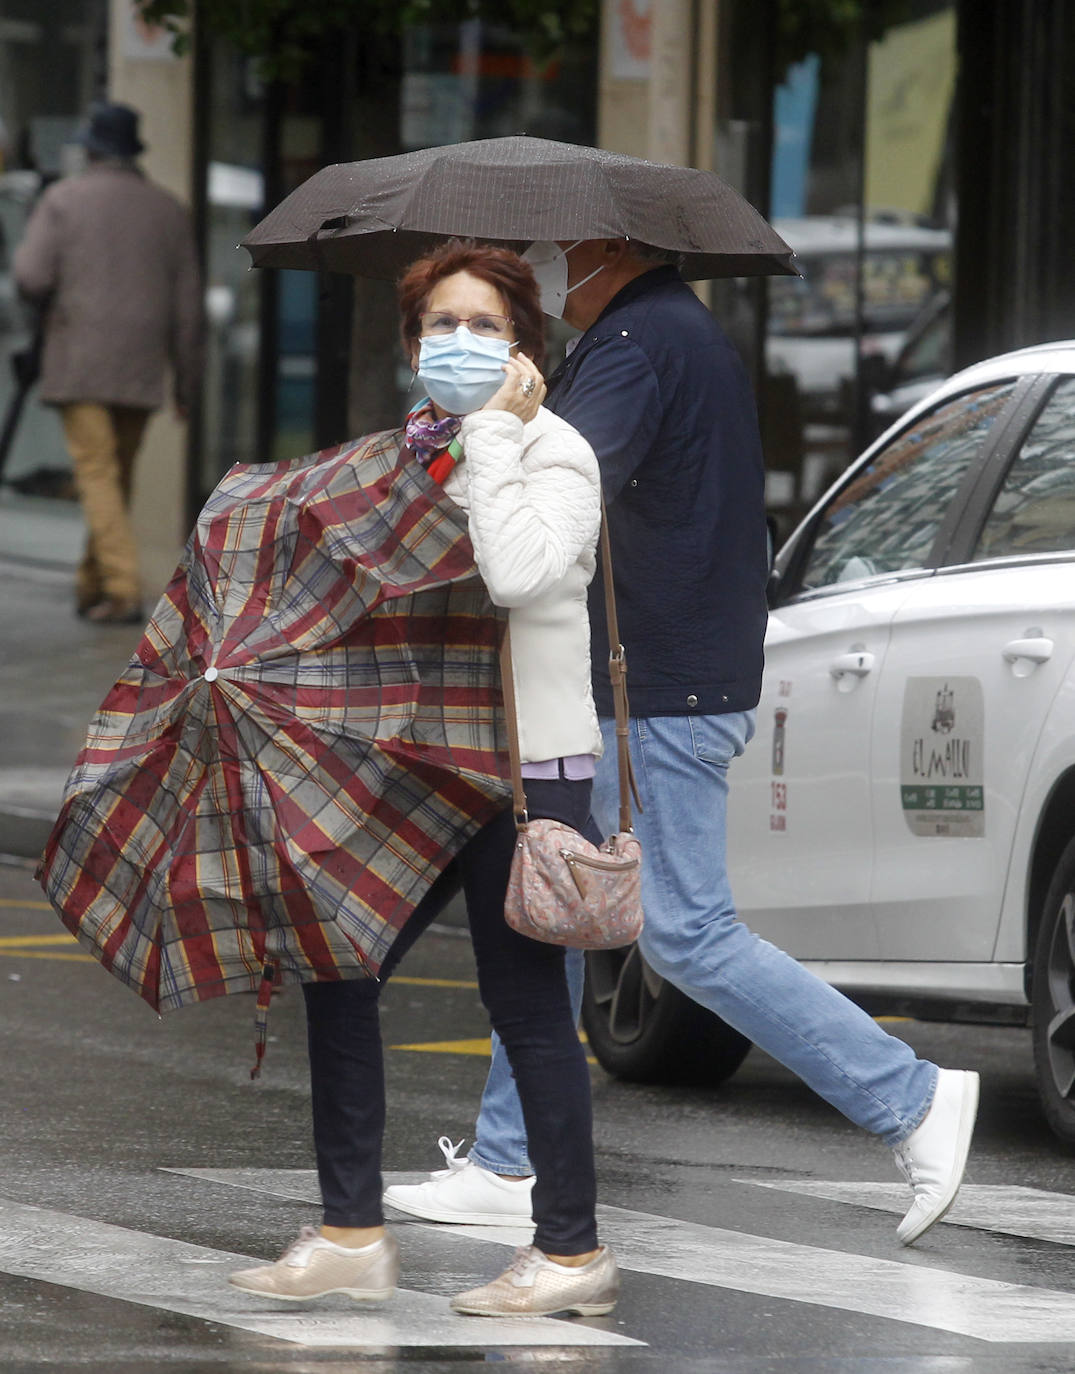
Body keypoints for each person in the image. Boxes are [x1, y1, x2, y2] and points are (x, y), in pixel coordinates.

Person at [384, 236, 980, 1250]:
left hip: (657, 685)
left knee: (684, 931)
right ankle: (504, 1157)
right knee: (556, 897)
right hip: (651, 679)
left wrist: (485, 435)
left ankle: (912, 1099)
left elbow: (553, 503)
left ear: (608, 247)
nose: (547, 262)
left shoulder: (636, 344)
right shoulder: (655, 333)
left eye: (557, 247)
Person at [228, 241, 620, 1317]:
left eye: (483, 326)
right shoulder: (393, 463)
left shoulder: (556, 454)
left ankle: (573, 1252)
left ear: (526, 347)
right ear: (410, 347)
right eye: (439, 326)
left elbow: (518, 573)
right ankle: (351, 1230)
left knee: (526, 1003)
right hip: (408, 765)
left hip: (522, 770)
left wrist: (492, 431)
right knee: (338, 966)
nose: (459, 344)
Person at [13, 101, 203, 624]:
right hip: (142, 367)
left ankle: (121, 586)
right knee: (114, 474)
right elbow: (189, 309)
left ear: (92, 148)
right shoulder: (169, 210)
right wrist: (186, 383)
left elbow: (29, 276)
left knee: (97, 474)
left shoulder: (64, 199)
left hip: (78, 361)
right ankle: (89, 581)